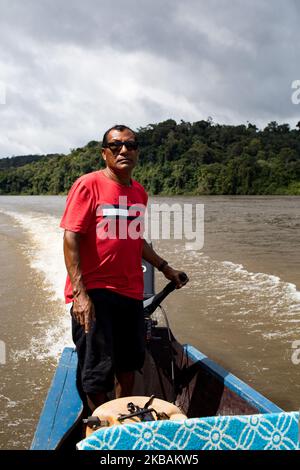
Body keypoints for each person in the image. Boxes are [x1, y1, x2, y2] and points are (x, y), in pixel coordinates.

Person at [60, 124, 188, 412]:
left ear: (138, 152)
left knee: (128, 365)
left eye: (131, 145)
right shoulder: (88, 184)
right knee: (97, 370)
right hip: (95, 291)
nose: (124, 150)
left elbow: (136, 238)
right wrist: (80, 295)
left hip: (130, 291)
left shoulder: (139, 193)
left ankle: (122, 418)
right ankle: (97, 428)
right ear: (105, 153)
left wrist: (165, 268)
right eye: (116, 145)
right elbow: (71, 238)